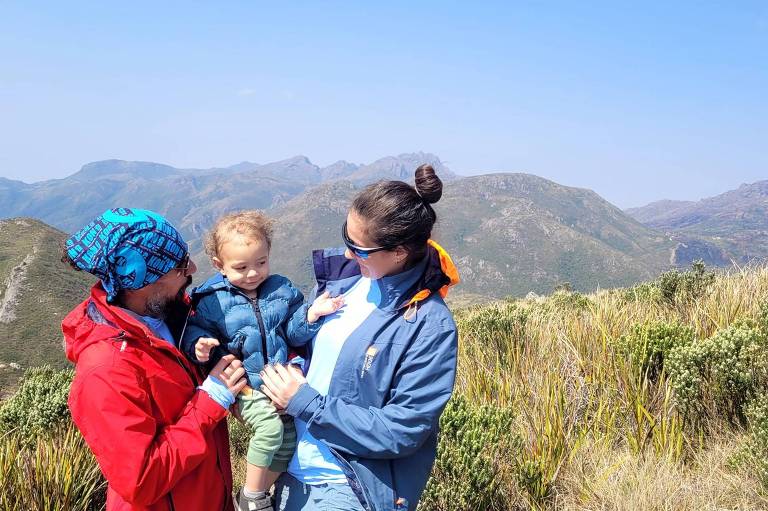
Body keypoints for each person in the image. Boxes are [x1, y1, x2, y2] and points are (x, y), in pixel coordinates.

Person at [260, 164, 461, 511]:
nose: (349, 254)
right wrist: (291, 379)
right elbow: (317, 360)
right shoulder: (344, 283)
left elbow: (403, 430)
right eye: (346, 238)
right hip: (289, 473)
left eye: (360, 248)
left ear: (398, 252)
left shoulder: (430, 326)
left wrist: (304, 402)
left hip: (345, 485)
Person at [62, 207, 247, 511]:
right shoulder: (105, 370)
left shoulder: (173, 316)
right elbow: (143, 481)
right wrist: (211, 399)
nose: (192, 269)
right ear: (142, 280)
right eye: (178, 266)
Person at [180, 210, 343, 511]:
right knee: (269, 429)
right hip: (243, 386)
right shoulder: (211, 299)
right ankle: (254, 498)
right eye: (241, 267)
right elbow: (195, 330)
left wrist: (310, 315)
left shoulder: (281, 289)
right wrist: (198, 346)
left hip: (275, 383)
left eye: (261, 263)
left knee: (287, 442)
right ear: (219, 266)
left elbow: (293, 333)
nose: (253, 273)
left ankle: (250, 496)